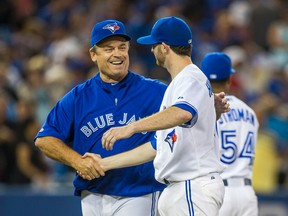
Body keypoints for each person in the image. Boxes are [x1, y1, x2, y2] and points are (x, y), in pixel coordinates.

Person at [34, 19, 167, 216]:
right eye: (108, 48)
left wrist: (211, 107)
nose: (117, 54)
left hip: (138, 192)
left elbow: (188, 113)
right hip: (92, 194)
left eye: (122, 47)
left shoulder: (156, 91)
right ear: (93, 55)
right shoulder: (78, 97)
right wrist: (77, 161)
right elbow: (44, 140)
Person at [98, 16, 226, 216]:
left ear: (165, 47)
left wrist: (130, 127)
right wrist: (104, 163)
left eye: (154, 44)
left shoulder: (190, 77)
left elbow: (182, 112)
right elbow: (156, 147)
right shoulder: (178, 85)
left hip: (192, 186)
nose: (151, 49)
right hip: (180, 189)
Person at [200, 52, 259, 216]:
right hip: (247, 193)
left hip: (218, 191)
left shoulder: (203, 111)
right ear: (229, 80)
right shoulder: (249, 111)